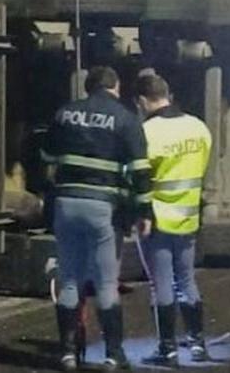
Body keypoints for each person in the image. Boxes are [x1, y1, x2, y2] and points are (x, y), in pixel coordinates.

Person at [43, 66, 153, 371]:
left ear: (88, 88)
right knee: (106, 283)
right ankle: (113, 354)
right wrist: (143, 212)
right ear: (114, 88)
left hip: (66, 205)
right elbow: (141, 171)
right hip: (102, 207)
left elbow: (46, 157)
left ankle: (67, 354)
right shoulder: (126, 119)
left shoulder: (65, 113)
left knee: (69, 280)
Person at [135, 73, 213, 366]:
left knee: (161, 285)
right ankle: (198, 345)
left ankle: (167, 349)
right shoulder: (199, 128)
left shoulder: (147, 132)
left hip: (156, 220)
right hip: (189, 218)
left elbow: (140, 177)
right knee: (187, 281)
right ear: (168, 93)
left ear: (142, 101)